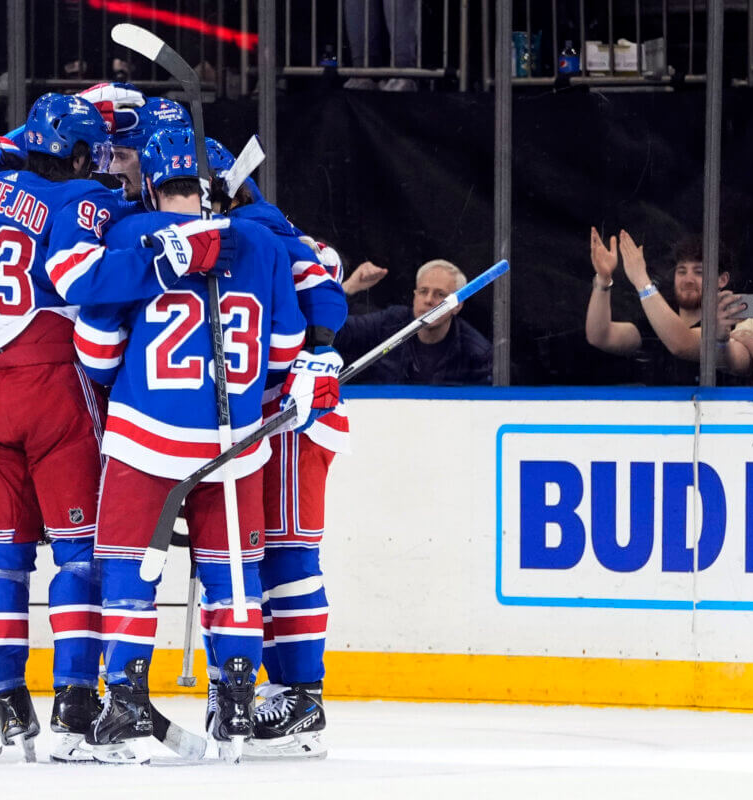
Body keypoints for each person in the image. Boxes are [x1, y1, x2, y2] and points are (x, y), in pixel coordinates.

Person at [0, 93, 219, 763]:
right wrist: (163, 260)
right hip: (48, 379)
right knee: (77, 553)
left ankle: (5, 695)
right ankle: (74, 700)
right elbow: (75, 276)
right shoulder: (82, 198)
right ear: (76, 153)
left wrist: (68, 116)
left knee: (0, 555)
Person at [74, 129, 308, 763]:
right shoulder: (261, 241)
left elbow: (94, 354)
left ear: (151, 184)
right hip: (232, 443)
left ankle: (124, 705)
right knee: (235, 578)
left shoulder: (129, 235)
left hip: (143, 438)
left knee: (128, 571)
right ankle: (234, 704)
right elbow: (285, 350)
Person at [204, 137, 349, 760]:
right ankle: (255, 686)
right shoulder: (231, 230)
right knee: (250, 556)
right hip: (250, 420)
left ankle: (302, 698)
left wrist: (318, 351)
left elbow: (322, 284)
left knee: (289, 555)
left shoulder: (256, 222)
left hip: (289, 416)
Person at [584, 229, 744, 385]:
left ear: (722, 280)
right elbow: (600, 336)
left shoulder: (731, 328)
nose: (688, 279)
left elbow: (682, 343)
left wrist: (641, 279)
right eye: (681, 271)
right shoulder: (653, 325)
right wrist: (603, 280)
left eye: (699, 272)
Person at [336, 258, 492, 384]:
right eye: (423, 291)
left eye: (440, 294)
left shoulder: (476, 353)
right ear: (414, 296)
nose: (429, 300)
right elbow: (334, 333)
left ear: (457, 306)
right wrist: (349, 288)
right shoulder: (390, 322)